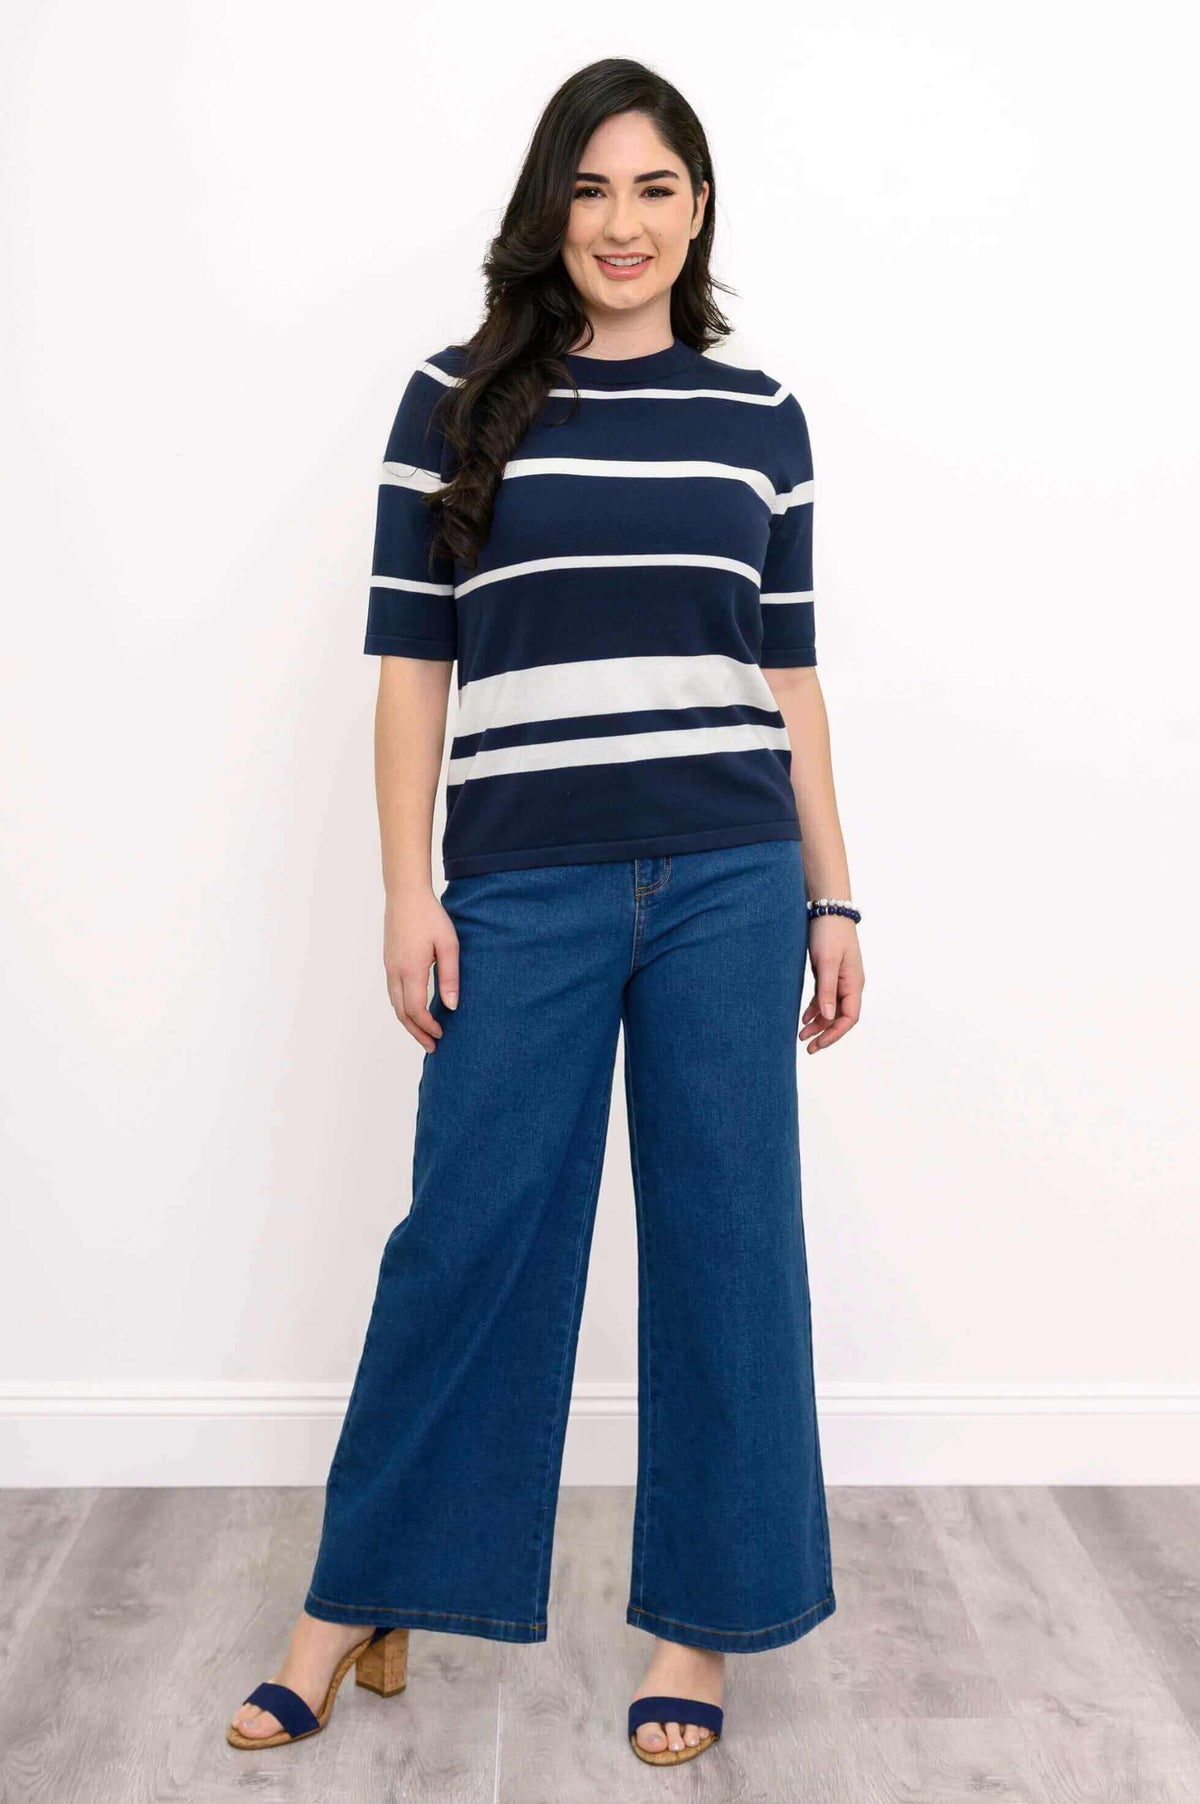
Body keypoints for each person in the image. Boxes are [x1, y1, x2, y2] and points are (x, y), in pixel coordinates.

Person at [228, 55, 863, 1768]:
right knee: (468, 1237)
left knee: (730, 1246)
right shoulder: (454, 401)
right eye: (591, 189)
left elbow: (790, 677)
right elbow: (409, 666)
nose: (623, 223)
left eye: (655, 188)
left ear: (701, 207)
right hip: (522, 886)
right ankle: (356, 1596)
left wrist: (835, 895)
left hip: (732, 879)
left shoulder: (763, 416)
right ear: (549, 208)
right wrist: (406, 891)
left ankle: (699, 1624)